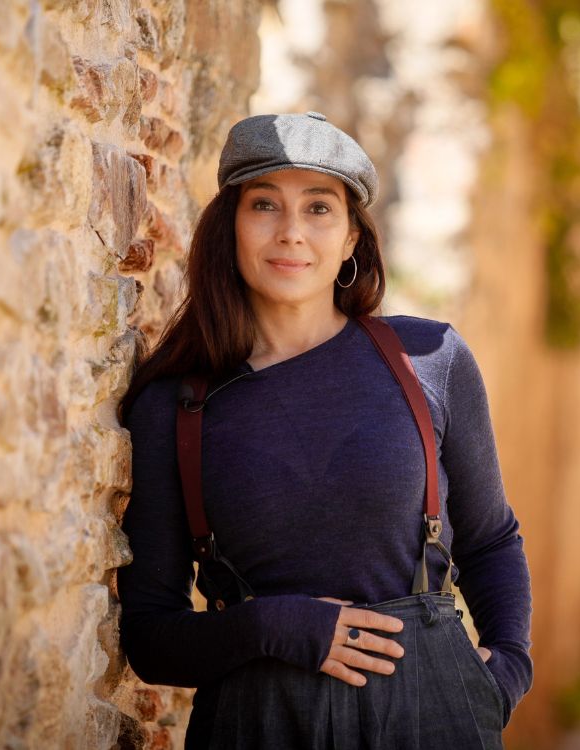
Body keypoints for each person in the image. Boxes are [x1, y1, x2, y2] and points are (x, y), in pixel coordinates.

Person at [116, 111, 532, 749]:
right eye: (264, 205)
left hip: (435, 712)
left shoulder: (431, 359)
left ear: (350, 240)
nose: (290, 234)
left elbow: (490, 540)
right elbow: (151, 636)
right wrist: (273, 626)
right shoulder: (174, 406)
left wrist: (503, 674)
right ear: (229, 227)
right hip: (258, 722)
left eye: (318, 209)